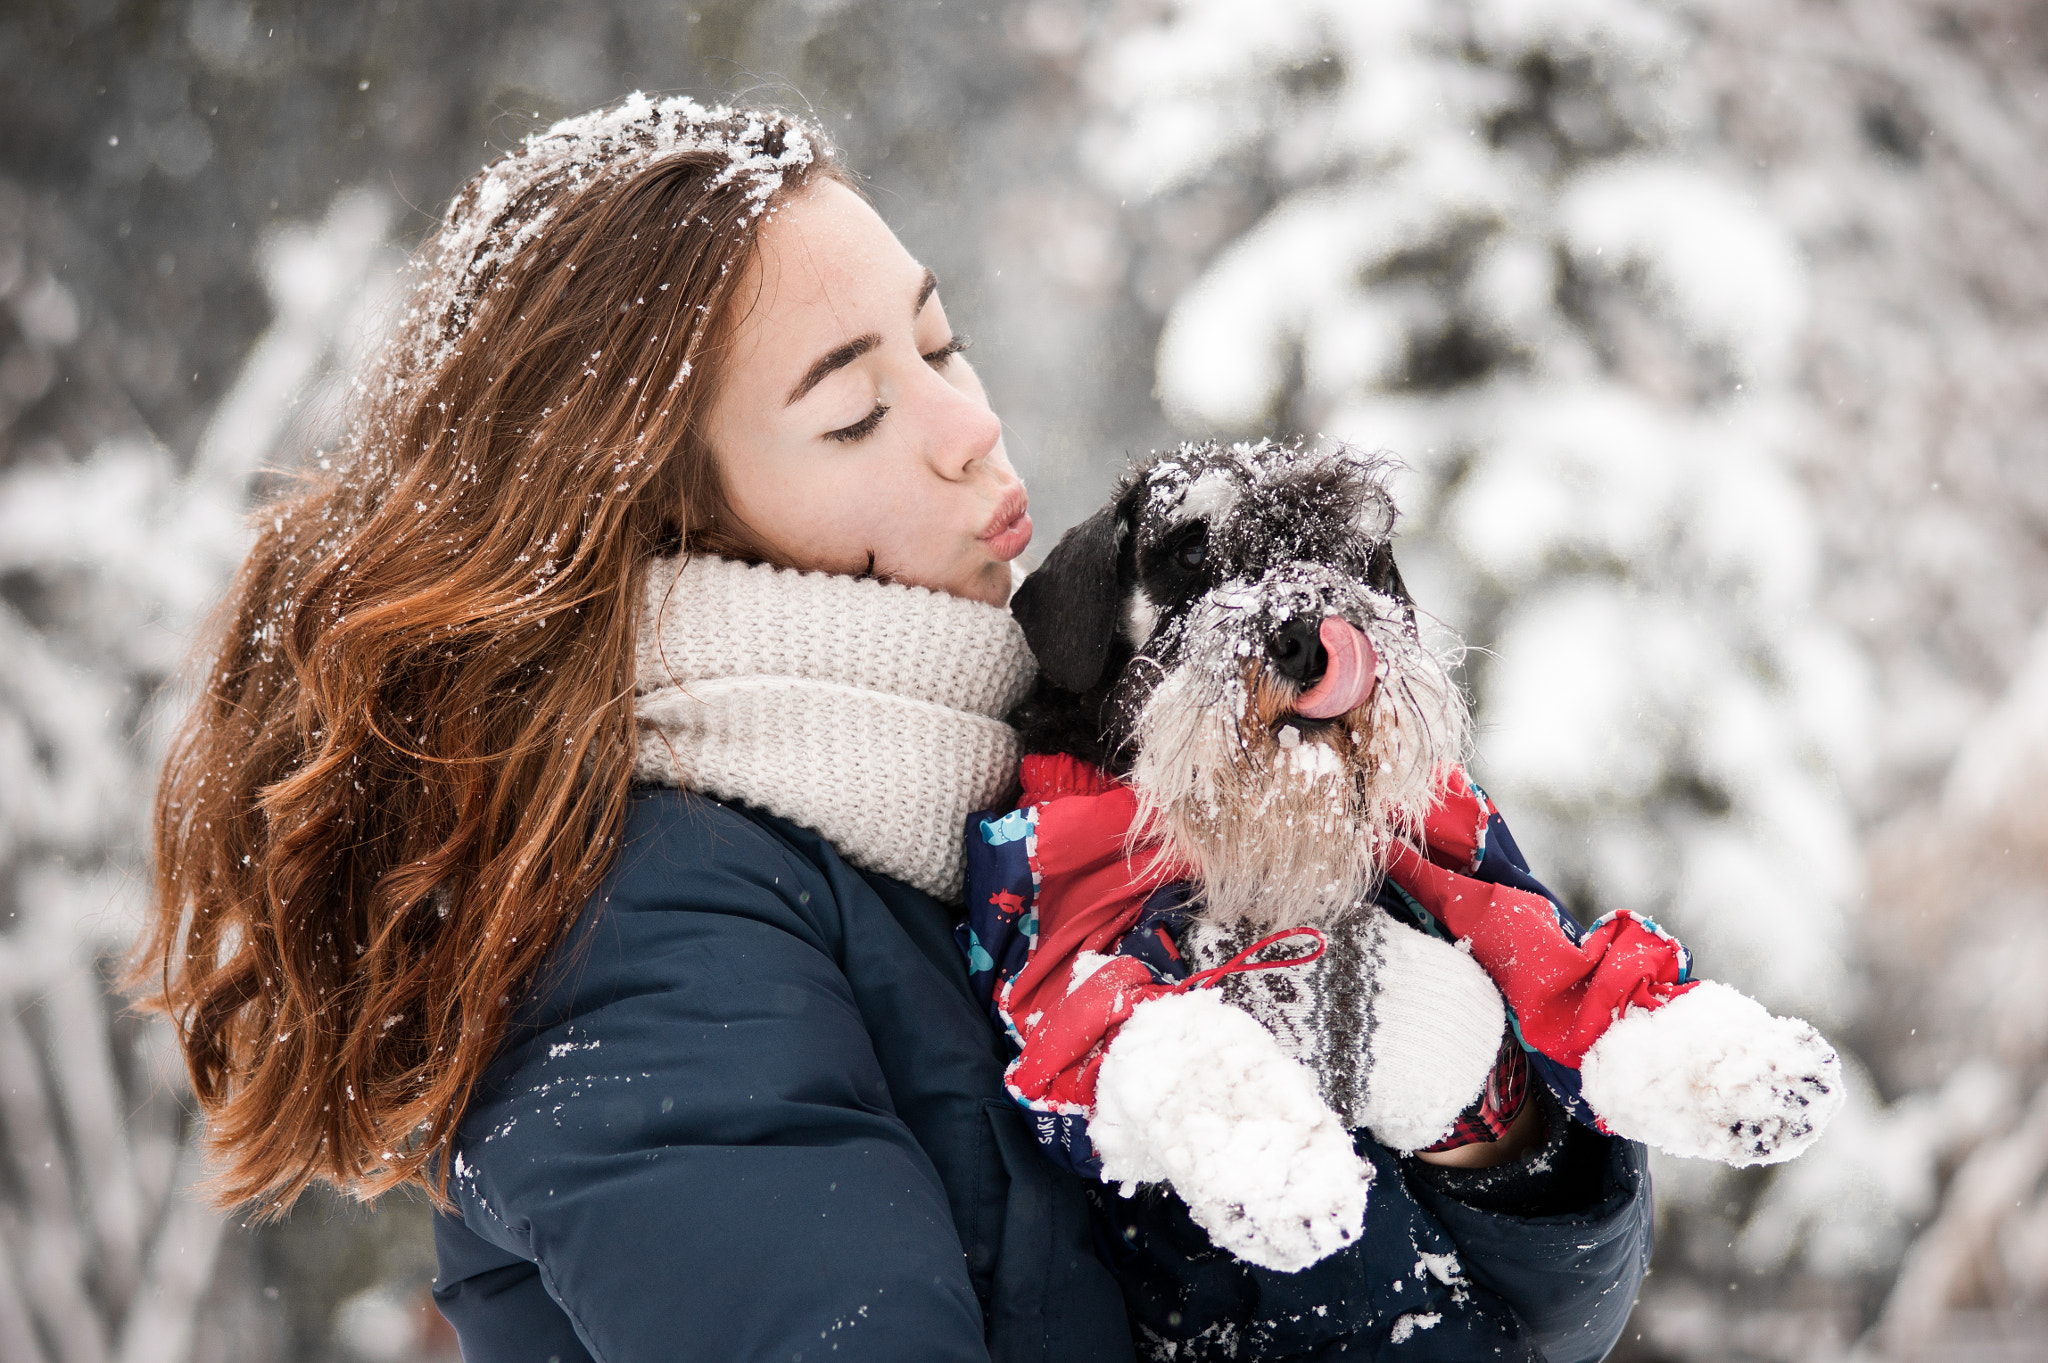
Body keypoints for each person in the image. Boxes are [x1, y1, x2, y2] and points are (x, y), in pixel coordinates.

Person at [137, 96, 1648, 1363]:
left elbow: (1522, 1326)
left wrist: (1484, 1109)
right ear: (661, 521)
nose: (966, 428)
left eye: (941, 343)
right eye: (854, 415)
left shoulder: (1047, 808)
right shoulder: (629, 950)